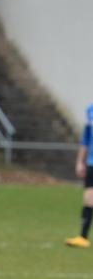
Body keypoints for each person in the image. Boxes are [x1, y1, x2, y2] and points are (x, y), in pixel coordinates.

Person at [65, 104, 93, 248]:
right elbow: (86, 140)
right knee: (88, 199)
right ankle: (83, 237)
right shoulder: (90, 111)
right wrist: (79, 161)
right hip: (91, 163)